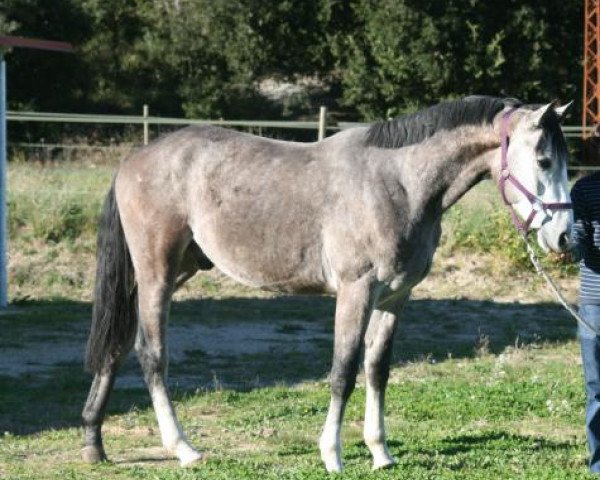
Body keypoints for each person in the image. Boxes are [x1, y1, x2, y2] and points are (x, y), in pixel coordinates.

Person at [572, 171, 600, 473]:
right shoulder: (585, 189)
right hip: (595, 304)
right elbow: (579, 236)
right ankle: (599, 464)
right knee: (597, 387)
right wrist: (568, 247)